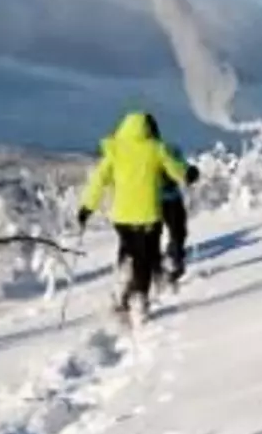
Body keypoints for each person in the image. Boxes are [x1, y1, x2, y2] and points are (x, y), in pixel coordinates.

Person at [77, 112, 189, 321]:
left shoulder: (115, 151)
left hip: (122, 218)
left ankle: (123, 285)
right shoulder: (156, 149)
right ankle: (139, 299)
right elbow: (175, 170)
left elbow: (98, 181)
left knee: (129, 250)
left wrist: (86, 207)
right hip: (148, 216)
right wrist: (188, 173)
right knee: (144, 258)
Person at [143, 113, 199, 286]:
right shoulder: (168, 148)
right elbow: (181, 166)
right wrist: (189, 173)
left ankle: (164, 265)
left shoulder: (149, 152)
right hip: (169, 198)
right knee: (176, 232)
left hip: (154, 200)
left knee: (158, 235)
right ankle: (170, 264)